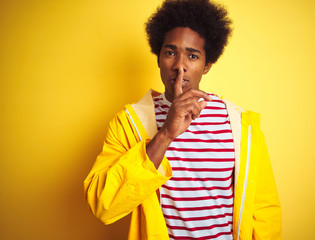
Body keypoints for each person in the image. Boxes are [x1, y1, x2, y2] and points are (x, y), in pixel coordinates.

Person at [84, 0, 281, 239]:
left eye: (192, 56)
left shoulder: (240, 125)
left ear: (207, 65)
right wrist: (165, 134)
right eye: (170, 53)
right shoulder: (128, 123)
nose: (180, 66)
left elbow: (264, 212)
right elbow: (103, 205)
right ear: (158, 58)